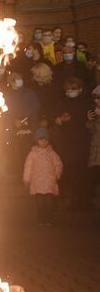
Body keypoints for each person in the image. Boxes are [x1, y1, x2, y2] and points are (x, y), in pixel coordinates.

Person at [54, 77, 92, 209]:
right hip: (67, 141)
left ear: (80, 89)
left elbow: (89, 121)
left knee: (82, 171)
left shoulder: (87, 103)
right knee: (69, 170)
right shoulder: (62, 102)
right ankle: (72, 200)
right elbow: (56, 120)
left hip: (82, 140)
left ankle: (84, 200)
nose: (70, 91)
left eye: (73, 88)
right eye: (68, 89)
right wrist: (61, 120)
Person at [23, 127, 63, 225]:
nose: (43, 141)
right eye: (41, 139)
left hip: (49, 181)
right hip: (37, 182)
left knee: (49, 202)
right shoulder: (33, 154)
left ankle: (49, 219)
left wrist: (57, 174)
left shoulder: (52, 153)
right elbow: (28, 166)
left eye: (45, 139)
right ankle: (41, 219)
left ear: (48, 140)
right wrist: (26, 179)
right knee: (40, 203)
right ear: (37, 140)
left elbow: (58, 164)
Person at [4, 72, 41, 175]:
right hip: (14, 129)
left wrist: (24, 118)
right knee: (17, 153)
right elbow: (6, 111)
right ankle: (19, 175)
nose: (18, 80)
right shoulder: (8, 95)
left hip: (30, 126)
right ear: (10, 82)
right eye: (15, 79)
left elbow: (36, 106)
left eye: (20, 78)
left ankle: (31, 175)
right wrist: (14, 121)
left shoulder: (29, 92)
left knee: (29, 151)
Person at [87, 86, 100, 204]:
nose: (97, 101)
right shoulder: (93, 112)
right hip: (96, 148)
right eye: (95, 99)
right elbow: (91, 130)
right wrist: (90, 120)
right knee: (94, 175)